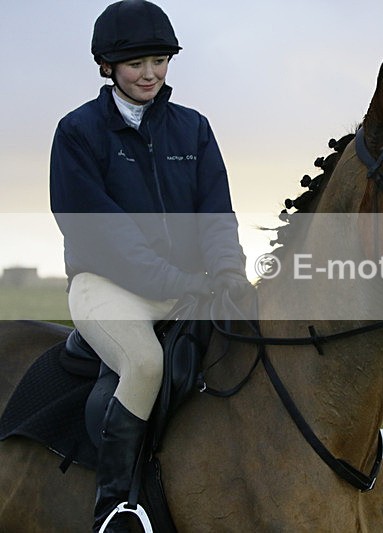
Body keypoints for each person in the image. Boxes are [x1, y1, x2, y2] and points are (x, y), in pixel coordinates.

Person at [49, 1, 250, 530]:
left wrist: (229, 273)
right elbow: (100, 230)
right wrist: (179, 283)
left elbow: (215, 212)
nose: (150, 74)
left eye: (160, 61)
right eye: (137, 64)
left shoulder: (194, 129)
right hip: (107, 284)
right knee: (144, 365)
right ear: (108, 66)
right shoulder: (77, 131)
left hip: (189, 286)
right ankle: (116, 505)